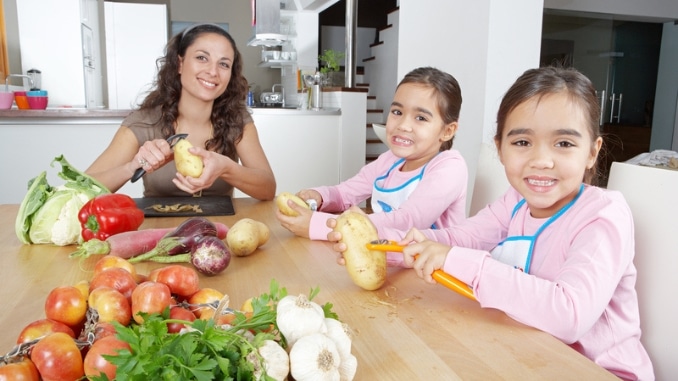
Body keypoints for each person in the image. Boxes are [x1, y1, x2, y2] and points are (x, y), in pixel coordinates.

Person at [329, 67, 654, 380]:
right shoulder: (515, 203)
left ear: (592, 152)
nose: (541, 160)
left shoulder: (604, 214)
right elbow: (459, 238)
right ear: (499, 148)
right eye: (522, 142)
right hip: (527, 355)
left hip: (595, 371)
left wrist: (456, 260)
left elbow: (568, 314)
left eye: (564, 143)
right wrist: (389, 247)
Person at [86, 24, 276, 200]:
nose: (213, 71)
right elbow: (81, 189)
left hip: (219, 231)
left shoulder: (237, 120)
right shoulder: (143, 122)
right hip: (159, 232)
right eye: (202, 58)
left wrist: (227, 168)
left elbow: (268, 189)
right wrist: (132, 167)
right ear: (179, 63)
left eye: (224, 64)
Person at [276, 66, 468, 240]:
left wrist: (319, 226)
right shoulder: (390, 160)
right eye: (397, 112)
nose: (403, 126)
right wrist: (320, 196)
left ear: (447, 131)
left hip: (432, 271)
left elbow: (408, 222)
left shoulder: (449, 168)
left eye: (420, 118)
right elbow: (345, 194)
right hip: (389, 255)